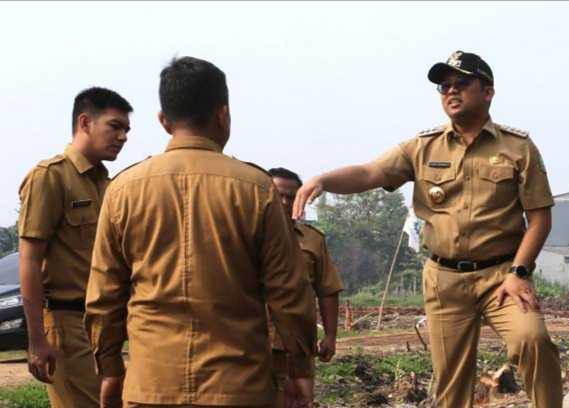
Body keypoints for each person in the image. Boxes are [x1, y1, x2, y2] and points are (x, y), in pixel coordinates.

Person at [293, 50, 562, 408]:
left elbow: (540, 218)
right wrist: (323, 179)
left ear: (488, 91)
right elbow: (370, 173)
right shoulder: (422, 146)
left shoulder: (518, 147)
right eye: (444, 86)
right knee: (451, 382)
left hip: (502, 277)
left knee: (534, 341)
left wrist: (519, 272)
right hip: (444, 279)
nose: (451, 91)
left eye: (462, 83)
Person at [84, 56, 315, 408]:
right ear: (223, 114)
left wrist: (111, 370)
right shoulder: (256, 188)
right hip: (239, 386)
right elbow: (289, 294)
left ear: (163, 121)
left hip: (151, 384)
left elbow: (104, 296)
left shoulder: (123, 190)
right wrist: (299, 371)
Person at [18, 87, 132, 407]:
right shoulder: (50, 177)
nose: (122, 137)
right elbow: (29, 260)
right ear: (85, 122)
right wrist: (37, 340)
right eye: (114, 126)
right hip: (65, 322)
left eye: (126, 130)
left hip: (100, 324)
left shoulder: (106, 185)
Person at [268, 167, 343, 407]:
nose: (284, 201)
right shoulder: (244, 235)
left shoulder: (313, 240)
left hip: (297, 338)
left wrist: (330, 336)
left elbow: (328, 289)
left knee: (301, 399)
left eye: (291, 196)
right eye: (278, 194)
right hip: (256, 338)